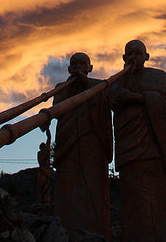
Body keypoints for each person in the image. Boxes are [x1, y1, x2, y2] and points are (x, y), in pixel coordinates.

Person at [110, 39, 166, 242]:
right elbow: (111, 102)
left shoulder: (157, 77)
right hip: (128, 151)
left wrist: (134, 98)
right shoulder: (117, 81)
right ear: (123, 58)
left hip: (153, 149)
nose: (133, 58)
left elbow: (164, 106)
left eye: (138, 54)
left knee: (157, 203)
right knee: (133, 203)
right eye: (129, 54)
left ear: (146, 57)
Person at [52, 52, 112, 238]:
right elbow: (57, 110)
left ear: (90, 68)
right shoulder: (62, 87)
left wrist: (86, 85)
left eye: (82, 63)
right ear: (69, 69)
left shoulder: (99, 85)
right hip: (68, 143)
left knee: (93, 184)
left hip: (92, 142)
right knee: (68, 186)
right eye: (74, 64)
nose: (78, 67)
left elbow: (105, 106)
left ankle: (96, 229)